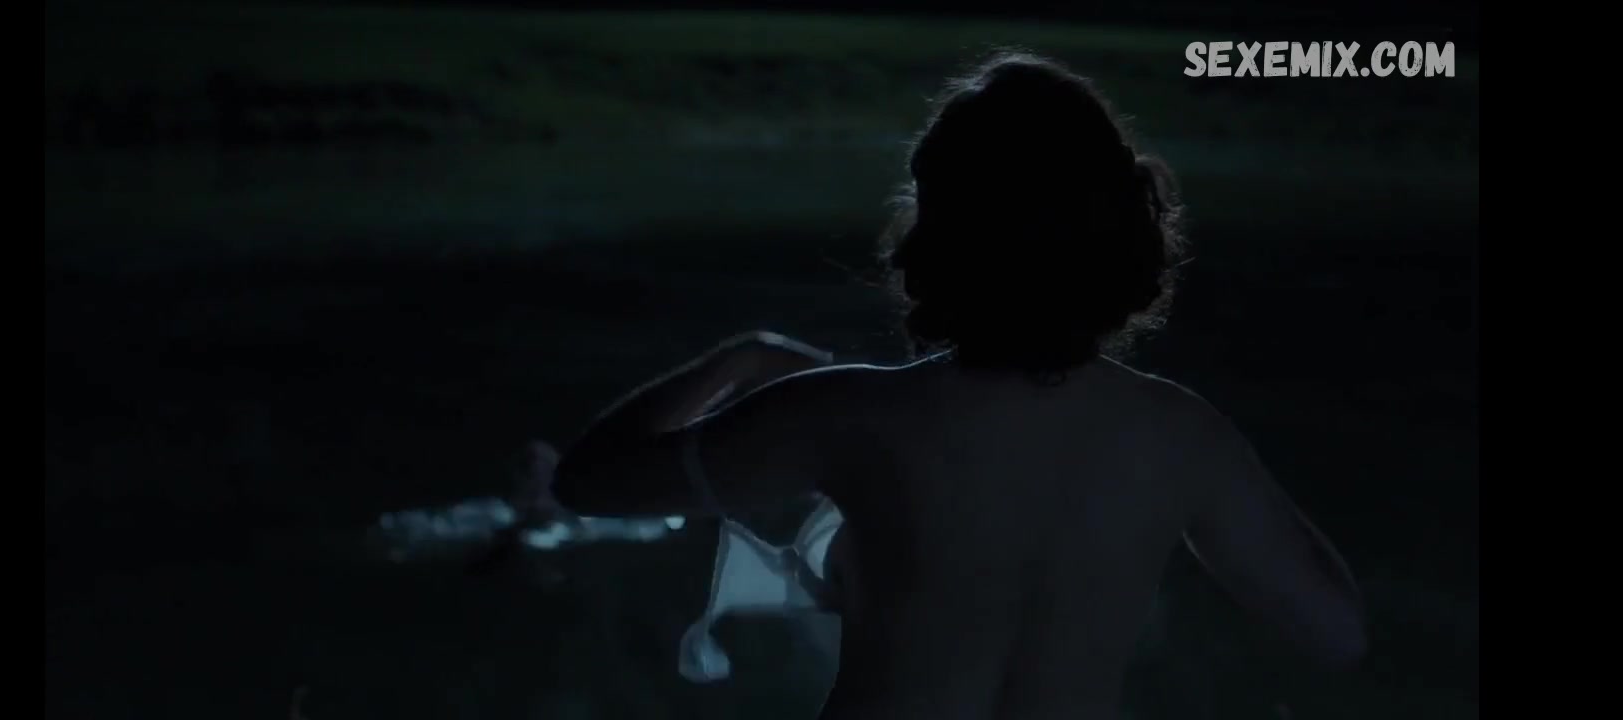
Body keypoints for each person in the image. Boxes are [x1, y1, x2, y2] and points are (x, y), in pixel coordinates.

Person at [538, 52, 1368, 720]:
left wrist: (738, 361)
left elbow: (587, 482)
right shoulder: (1181, 436)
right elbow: (1337, 635)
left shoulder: (847, 415)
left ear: (944, 237)